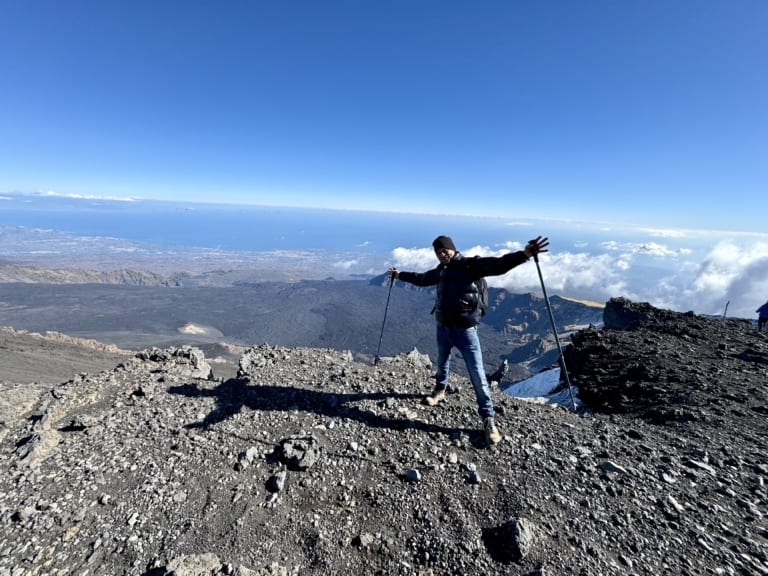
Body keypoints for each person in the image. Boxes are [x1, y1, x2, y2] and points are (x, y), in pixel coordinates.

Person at [388, 234, 550, 444]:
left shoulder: (469, 266)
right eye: (437, 251)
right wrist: (400, 275)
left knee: (478, 375)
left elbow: (498, 265)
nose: (441, 254)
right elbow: (422, 279)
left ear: (452, 249)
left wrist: (525, 254)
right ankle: (440, 390)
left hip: (466, 331)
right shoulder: (441, 270)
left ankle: (488, 419)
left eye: (444, 250)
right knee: (442, 362)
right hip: (443, 327)